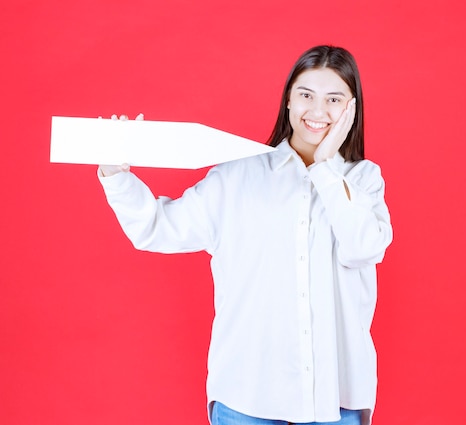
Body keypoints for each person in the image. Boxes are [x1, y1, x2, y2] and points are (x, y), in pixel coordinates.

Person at [98, 45, 393, 425]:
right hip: (247, 397)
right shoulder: (237, 176)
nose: (318, 112)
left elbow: (362, 247)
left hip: (335, 400)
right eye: (306, 95)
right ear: (288, 100)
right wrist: (115, 175)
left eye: (333, 99)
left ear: (351, 109)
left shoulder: (363, 181)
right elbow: (157, 228)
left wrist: (324, 168)